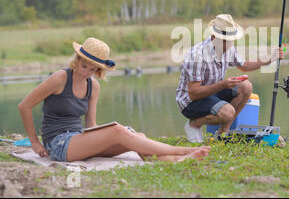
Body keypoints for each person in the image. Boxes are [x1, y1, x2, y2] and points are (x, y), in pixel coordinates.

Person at [18, 37, 210, 163]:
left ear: (98, 70)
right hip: (59, 143)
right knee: (119, 131)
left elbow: (91, 124)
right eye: (83, 66)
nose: (86, 72)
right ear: (77, 59)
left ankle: (178, 160)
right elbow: (24, 106)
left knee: (137, 137)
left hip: (79, 139)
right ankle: (182, 150)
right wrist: (35, 142)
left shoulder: (94, 86)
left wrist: (109, 135)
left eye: (92, 69)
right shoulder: (61, 78)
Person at [175, 14, 284, 142]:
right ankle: (194, 125)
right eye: (225, 40)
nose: (229, 43)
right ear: (214, 37)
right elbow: (193, 93)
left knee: (246, 86)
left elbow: (245, 66)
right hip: (190, 102)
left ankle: (223, 132)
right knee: (228, 112)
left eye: (232, 39)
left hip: (212, 94)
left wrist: (269, 59)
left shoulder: (228, 48)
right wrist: (222, 85)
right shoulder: (196, 55)